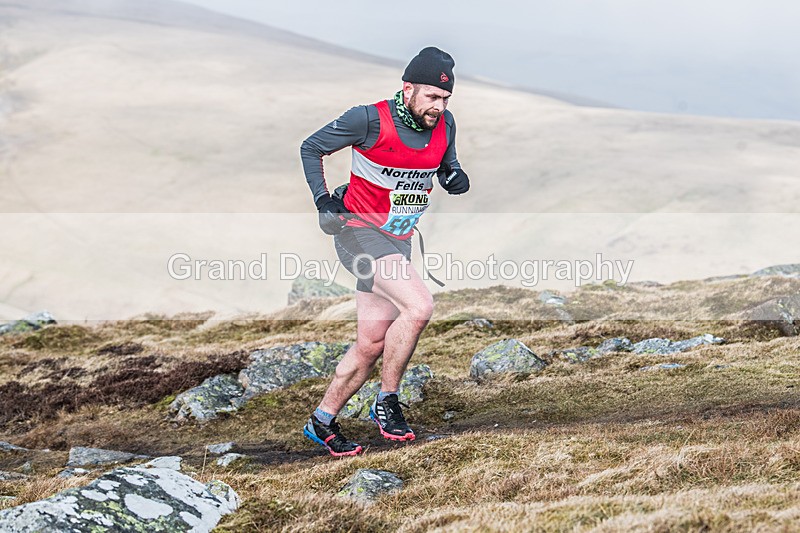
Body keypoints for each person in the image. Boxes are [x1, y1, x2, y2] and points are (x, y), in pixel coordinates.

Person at [299, 46, 469, 456]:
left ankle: (321, 422)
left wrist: (454, 175)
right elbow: (311, 147)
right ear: (408, 88)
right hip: (357, 232)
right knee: (419, 305)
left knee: (371, 343)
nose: (439, 106)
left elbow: (444, 162)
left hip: (398, 238)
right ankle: (387, 401)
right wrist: (324, 201)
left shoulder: (445, 125)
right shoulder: (369, 119)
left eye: (445, 98)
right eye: (432, 96)